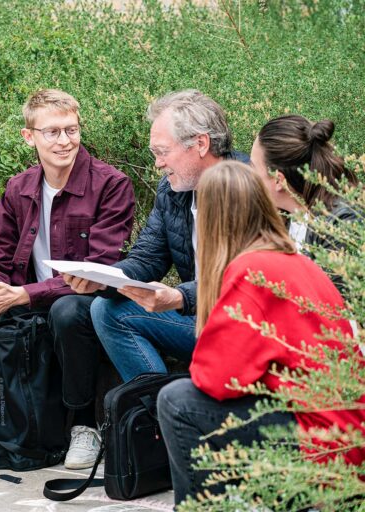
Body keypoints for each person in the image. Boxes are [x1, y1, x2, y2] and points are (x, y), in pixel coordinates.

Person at [0, 89, 136, 469]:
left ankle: (83, 426)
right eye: (52, 132)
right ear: (30, 136)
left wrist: (23, 294)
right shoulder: (20, 187)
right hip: (25, 299)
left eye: (71, 130)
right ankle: (4, 423)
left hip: (80, 301)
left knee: (68, 310)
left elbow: (101, 266)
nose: (65, 141)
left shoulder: (110, 184)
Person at [156, 161, 365, 505]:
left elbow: (214, 379)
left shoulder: (251, 270)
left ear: (214, 218)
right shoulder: (291, 259)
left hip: (321, 443)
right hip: (342, 435)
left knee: (177, 401)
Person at [66, 89, 248, 383]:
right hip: (197, 317)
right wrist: (104, 278)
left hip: (244, 325)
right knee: (107, 310)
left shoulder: (247, 188)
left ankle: (175, 410)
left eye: (162, 152)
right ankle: (150, 414)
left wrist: (179, 296)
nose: (158, 164)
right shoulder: (173, 190)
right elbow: (148, 257)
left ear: (200, 143)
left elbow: (245, 282)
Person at [250, 115, 358, 288]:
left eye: (253, 168)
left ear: (279, 180)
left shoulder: (340, 225)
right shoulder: (284, 215)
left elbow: (332, 303)